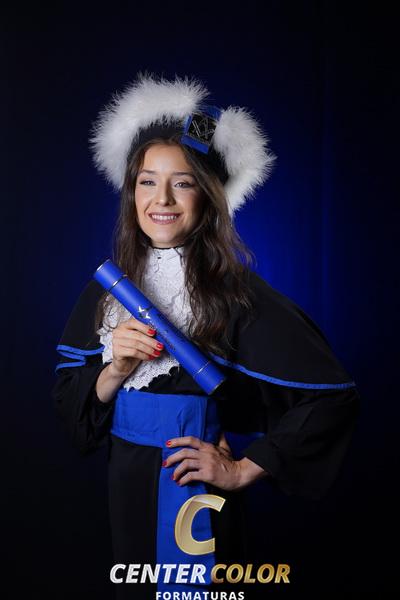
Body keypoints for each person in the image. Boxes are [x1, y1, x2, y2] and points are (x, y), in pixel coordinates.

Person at [52, 72, 360, 599]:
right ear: (131, 192)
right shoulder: (108, 289)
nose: (162, 198)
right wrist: (115, 370)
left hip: (193, 485)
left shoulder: (234, 291)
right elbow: (72, 413)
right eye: (147, 181)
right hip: (127, 481)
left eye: (183, 182)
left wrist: (241, 470)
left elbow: (332, 398)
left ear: (207, 195)